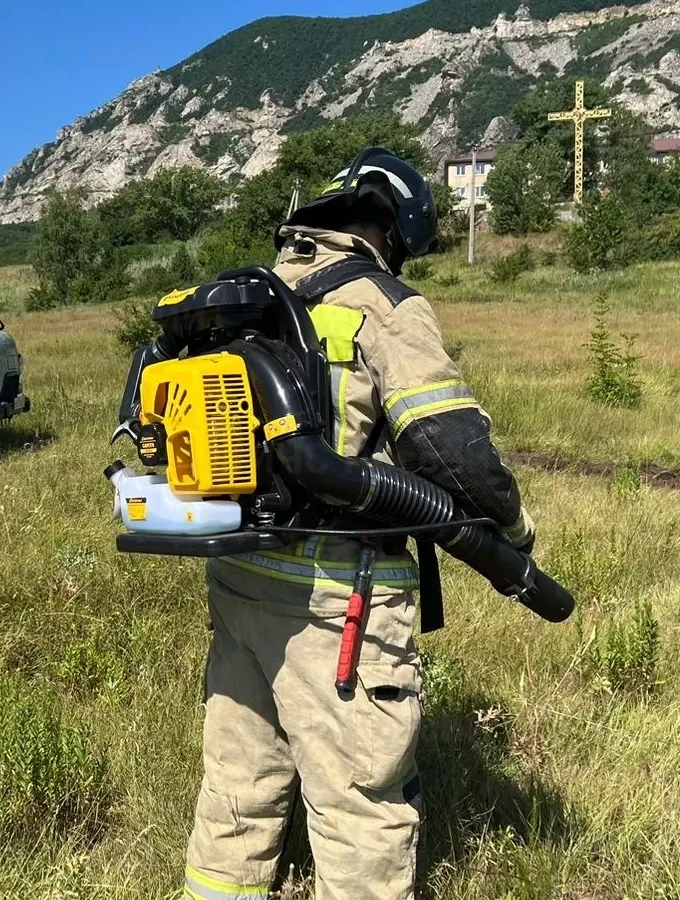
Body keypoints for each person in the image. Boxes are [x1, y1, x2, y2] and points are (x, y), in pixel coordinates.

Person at [184, 148, 535, 900]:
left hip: (241, 578)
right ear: (392, 227)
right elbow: (451, 451)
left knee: (237, 787)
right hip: (337, 598)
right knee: (359, 809)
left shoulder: (251, 297)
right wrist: (517, 535)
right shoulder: (381, 304)